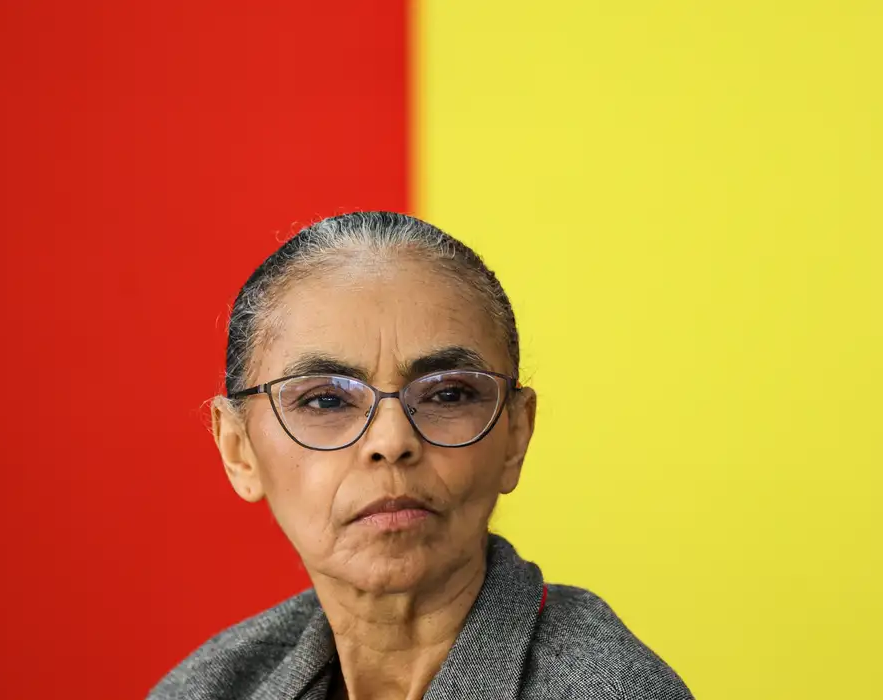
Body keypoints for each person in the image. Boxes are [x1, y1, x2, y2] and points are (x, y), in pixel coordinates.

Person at [149, 212, 692, 699]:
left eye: (447, 395)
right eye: (325, 400)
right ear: (238, 449)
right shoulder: (210, 686)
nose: (392, 441)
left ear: (515, 434)